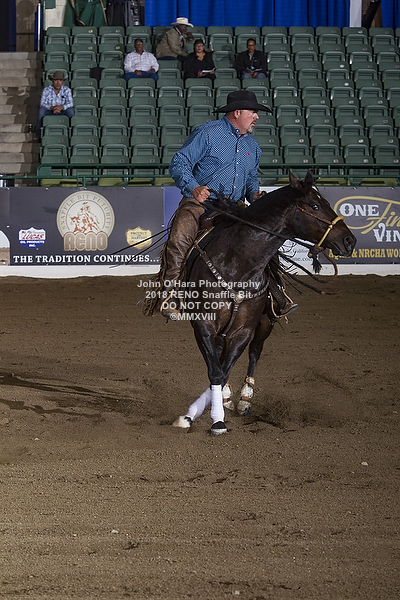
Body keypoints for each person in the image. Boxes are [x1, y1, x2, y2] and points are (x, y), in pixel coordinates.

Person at [156, 90, 297, 320]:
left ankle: (276, 292)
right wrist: (194, 187)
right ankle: (171, 295)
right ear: (237, 112)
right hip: (201, 203)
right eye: (253, 112)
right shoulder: (207, 134)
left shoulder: (253, 146)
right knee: (179, 239)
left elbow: (250, 177)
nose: (257, 117)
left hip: (236, 206)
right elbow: (180, 162)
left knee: (266, 238)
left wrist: (254, 194)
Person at [34, 71, 75, 141]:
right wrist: (51, 107)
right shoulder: (46, 90)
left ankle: (71, 134)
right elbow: (42, 103)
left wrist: (62, 107)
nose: (58, 82)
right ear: (52, 81)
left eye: (60, 80)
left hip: (62, 111)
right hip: (50, 110)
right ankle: (38, 134)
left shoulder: (67, 90)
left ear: (62, 82)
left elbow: (70, 103)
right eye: (56, 80)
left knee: (71, 111)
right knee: (41, 111)